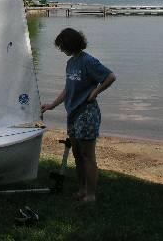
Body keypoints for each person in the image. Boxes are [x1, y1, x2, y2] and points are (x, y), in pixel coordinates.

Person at [41, 28, 116, 203]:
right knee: (77, 154)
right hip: (73, 114)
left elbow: (110, 77)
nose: (61, 49)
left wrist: (95, 92)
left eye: (62, 46)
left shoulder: (88, 61)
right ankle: (82, 189)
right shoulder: (70, 63)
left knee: (88, 156)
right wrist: (52, 105)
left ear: (71, 44)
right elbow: (68, 89)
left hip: (87, 114)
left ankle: (91, 195)